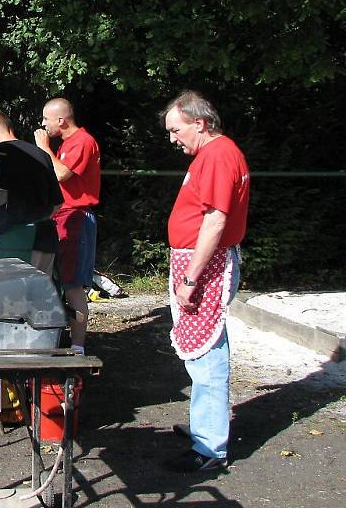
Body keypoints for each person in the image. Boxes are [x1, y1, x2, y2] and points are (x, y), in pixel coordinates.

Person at [160, 90, 250, 472]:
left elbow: (215, 221)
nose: (172, 138)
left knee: (206, 352)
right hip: (198, 262)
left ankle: (210, 447)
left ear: (200, 123)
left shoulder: (217, 155)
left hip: (205, 267)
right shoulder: (213, 154)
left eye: (175, 130)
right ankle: (205, 426)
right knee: (199, 350)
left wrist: (191, 279)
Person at [34, 98, 100, 355]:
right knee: (61, 279)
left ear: (61, 120)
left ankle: (78, 346)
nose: (43, 124)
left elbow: (62, 173)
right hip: (63, 216)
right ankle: (63, 337)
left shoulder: (82, 142)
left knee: (73, 283)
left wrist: (43, 147)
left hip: (75, 218)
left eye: (45, 119)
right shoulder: (67, 145)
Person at [0, 106, 63, 273]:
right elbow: (58, 203)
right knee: (42, 295)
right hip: (46, 237)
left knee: (12, 295)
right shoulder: (40, 154)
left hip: (15, 240)